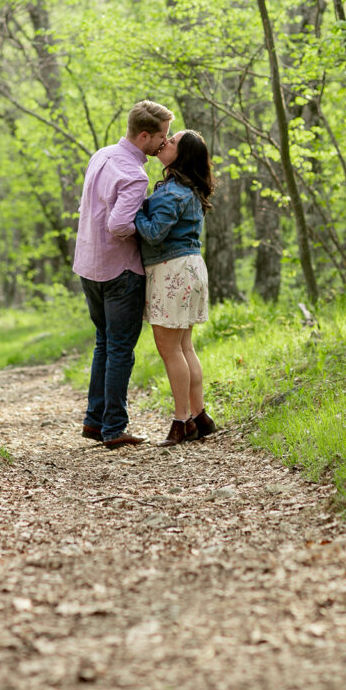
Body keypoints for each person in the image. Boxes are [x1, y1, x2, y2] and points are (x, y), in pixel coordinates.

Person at [73, 100, 174, 449]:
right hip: (120, 271)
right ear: (144, 135)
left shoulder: (101, 154)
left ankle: (94, 420)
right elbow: (118, 225)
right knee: (119, 348)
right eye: (161, 136)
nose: (166, 141)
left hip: (89, 263)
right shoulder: (135, 174)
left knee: (104, 342)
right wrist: (151, 229)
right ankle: (114, 428)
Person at [134, 130, 217, 446]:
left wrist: (135, 210)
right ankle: (200, 415)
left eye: (172, 142)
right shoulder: (187, 189)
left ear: (181, 155)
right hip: (189, 268)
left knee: (171, 349)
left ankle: (182, 421)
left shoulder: (173, 193)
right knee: (184, 347)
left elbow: (154, 233)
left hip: (173, 270)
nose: (164, 143)